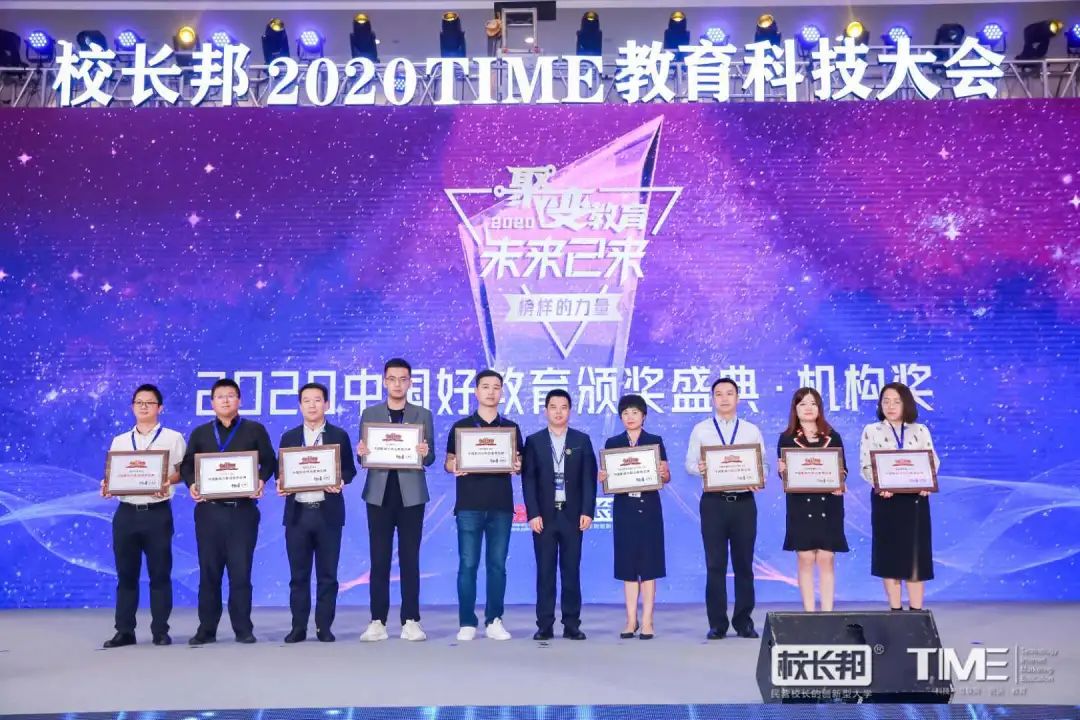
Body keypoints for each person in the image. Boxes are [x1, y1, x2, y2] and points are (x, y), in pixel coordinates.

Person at [180, 378, 277, 645]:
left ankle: (243, 628)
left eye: (231, 395)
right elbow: (187, 465)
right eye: (220, 396)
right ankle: (206, 629)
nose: (225, 400)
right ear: (212, 403)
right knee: (209, 572)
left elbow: (269, 461)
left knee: (241, 572)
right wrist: (192, 484)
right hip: (209, 512)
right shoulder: (201, 433)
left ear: (239, 400)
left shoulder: (254, 430)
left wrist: (261, 480)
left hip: (242, 511)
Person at [100, 384, 187, 648]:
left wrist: (166, 480)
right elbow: (113, 474)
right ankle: (124, 631)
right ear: (132, 407)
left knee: (160, 574)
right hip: (126, 513)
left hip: (157, 513)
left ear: (160, 408)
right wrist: (107, 485)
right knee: (126, 575)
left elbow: (183, 472)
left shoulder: (173, 438)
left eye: (149, 402)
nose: (144, 406)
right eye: (139, 402)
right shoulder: (120, 440)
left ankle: (160, 630)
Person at [356, 358, 436, 642]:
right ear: (384, 381)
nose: (397, 384)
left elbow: (431, 456)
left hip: (411, 495)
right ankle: (377, 620)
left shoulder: (422, 414)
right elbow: (363, 456)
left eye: (403, 379)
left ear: (410, 382)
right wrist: (362, 452)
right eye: (392, 379)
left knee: (410, 559)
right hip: (379, 495)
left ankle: (411, 620)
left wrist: (425, 452)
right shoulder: (370, 413)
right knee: (379, 559)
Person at [685, 377, 768, 639]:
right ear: (712, 399)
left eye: (729, 393)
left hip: (744, 504)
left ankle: (744, 622)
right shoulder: (701, 429)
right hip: (713, 503)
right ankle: (717, 624)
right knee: (715, 564)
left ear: (738, 398)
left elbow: (763, 465)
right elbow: (689, 464)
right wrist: (699, 468)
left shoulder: (751, 430)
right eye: (718, 394)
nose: (724, 398)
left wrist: (759, 478)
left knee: (744, 564)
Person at [444, 369, 523, 641]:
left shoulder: (511, 429)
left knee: (497, 565)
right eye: (485, 386)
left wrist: (517, 464)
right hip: (469, 506)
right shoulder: (461, 427)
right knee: (468, 564)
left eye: (496, 387)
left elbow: (519, 461)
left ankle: (494, 619)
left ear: (502, 392)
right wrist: (454, 465)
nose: (491, 392)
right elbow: (448, 461)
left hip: (501, 506)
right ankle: (467, 621)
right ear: (476, 392)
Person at [278, 382, 357, 643]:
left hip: (328, 514)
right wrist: (281, 483)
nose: (312, 405)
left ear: (326, 404)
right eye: (307, 401)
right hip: (298, 515)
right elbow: (282, 472)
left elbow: (349, 470)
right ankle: (298, 627)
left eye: (317, 400)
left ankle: (324, 627)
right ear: (300, 406)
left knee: (328, 576)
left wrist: (340, 481)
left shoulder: (339, 435)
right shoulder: (289, 437)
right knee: (298, 576)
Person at [522, 389, 597, 641]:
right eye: (553, 407)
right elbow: (528, 481)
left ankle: (571, 624)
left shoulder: (581, 440)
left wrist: (587, 511)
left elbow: (589, 479)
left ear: (570, 411)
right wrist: (532, 513)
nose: (558, 412)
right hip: (544, 516)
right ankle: (544, 624)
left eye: (563, 407)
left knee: (571, 571)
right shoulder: (534, 441)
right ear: (546, 411)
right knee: (545, 572)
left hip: (572, 515)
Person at [860, 382, 940, 611]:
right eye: (885, 401)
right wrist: (879, 484)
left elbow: (932, 461)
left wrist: (927, 483)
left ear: (907, 403)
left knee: (915, 558)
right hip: (886, 501)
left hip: (915, 501)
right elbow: (866, 465)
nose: (890, 406)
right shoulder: (871, 430)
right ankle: (895, 612)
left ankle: (916, 614)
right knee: (890, 558)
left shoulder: (920, 430)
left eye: (896, 401)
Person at [599, 394, 670, 639]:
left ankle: (648, 621)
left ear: (644, 416)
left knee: (649, 566)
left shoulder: (654, 441)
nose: (630, 417)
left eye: (635, 412)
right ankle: (631, 620)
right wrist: (604, 478)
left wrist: (664, 472)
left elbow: (666, 476)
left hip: (649, 508)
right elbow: (608, 479)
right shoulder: (613, 443)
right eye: (625, 413)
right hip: (624, 509)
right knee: (628, 566)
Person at [777, 387, 848, 612]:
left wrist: (840, 481)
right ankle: (809, 613)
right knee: (805, 558)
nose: (808, 408)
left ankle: (827, 613)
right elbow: (785, 474)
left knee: (826, 558)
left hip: (829, 504)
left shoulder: (832, 436)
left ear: (819, 408)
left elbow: (843, 469)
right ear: (795, 409)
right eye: (802, 404)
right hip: (800, 505)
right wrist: (782, 471)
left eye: (813, 404)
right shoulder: (787, 438)